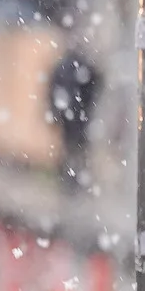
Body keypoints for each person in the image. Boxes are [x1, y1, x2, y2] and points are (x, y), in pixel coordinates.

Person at [48, 48, 98, 196]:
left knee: (70, 147)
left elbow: (54, 88)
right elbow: (91, 88)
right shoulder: (82, 67)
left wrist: (55, 110)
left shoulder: (63, 67)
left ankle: (70, 180)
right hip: (78, 115)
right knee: (77, 148)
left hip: (71, 114)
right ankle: (74, 180)